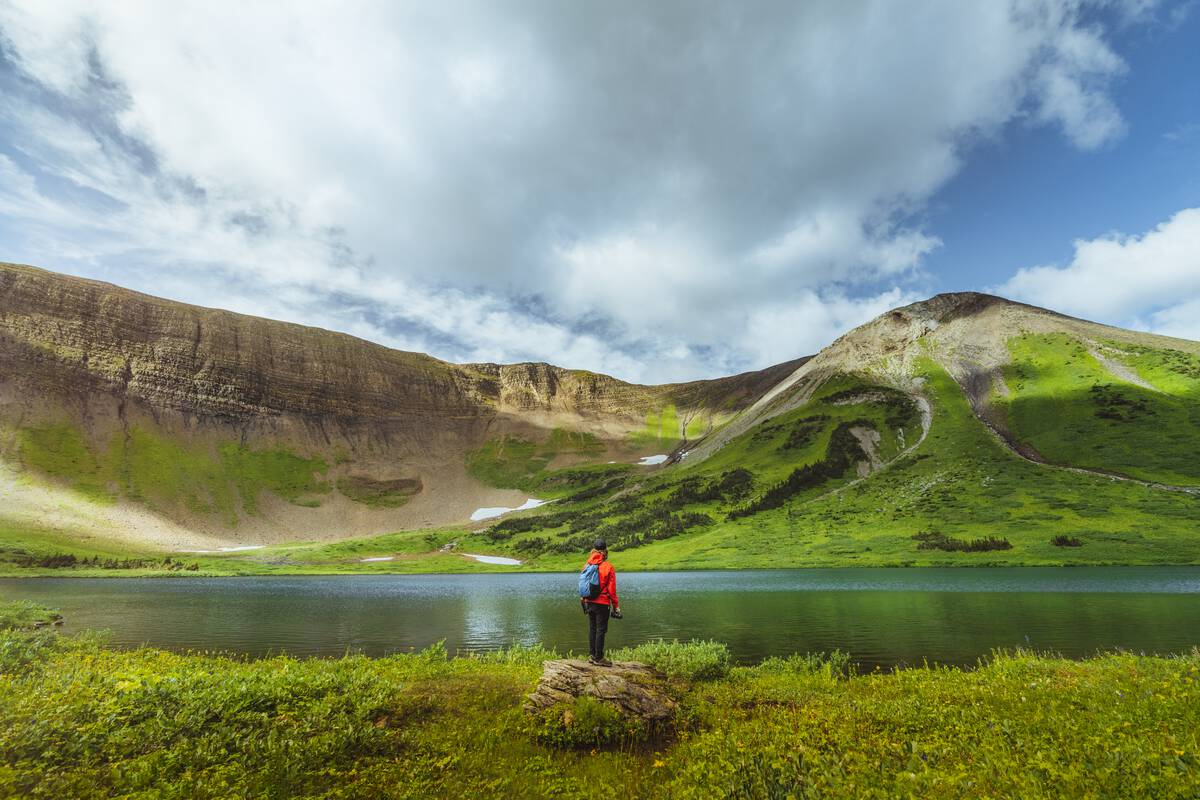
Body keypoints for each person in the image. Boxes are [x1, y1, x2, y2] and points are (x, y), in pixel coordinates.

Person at [581, 538, 621, 666]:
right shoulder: (608, 566)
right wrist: (616, 606)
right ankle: (599, 658)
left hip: (588, 601)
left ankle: (592, 655)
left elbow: (583, 584)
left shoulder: (587, 565)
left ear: (593, 550)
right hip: (602, 602)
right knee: (601, 630)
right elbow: (612, 590)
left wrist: (584, 601)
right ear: (605, 551)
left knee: (592, 629)